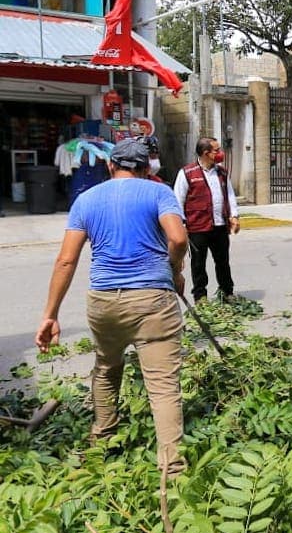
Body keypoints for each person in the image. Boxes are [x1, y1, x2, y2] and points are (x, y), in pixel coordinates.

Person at [35, 138, 188, 476]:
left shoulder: (86, 200)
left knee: (106, 367)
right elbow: (178, 239)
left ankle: (102, 440)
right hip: (151, 300)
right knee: (162, 385)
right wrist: (174, 271)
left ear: (109, 166)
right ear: (146, 169)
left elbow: (65, 261)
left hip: (103, 301)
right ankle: (172, 472)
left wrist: (51, 315)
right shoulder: (158, 193)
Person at [173, 137, 240, 302]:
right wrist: (181, 224)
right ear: (205, 153)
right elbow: (178, 200)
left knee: (223, 262)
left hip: (219, 225)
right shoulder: (187, 173)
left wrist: (234, 215)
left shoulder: (222, 172)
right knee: (198, 264)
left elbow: (229, 194)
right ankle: (200, 297)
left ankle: (227, 292)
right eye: (216, 150)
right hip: (197, 227)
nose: (220, 153)